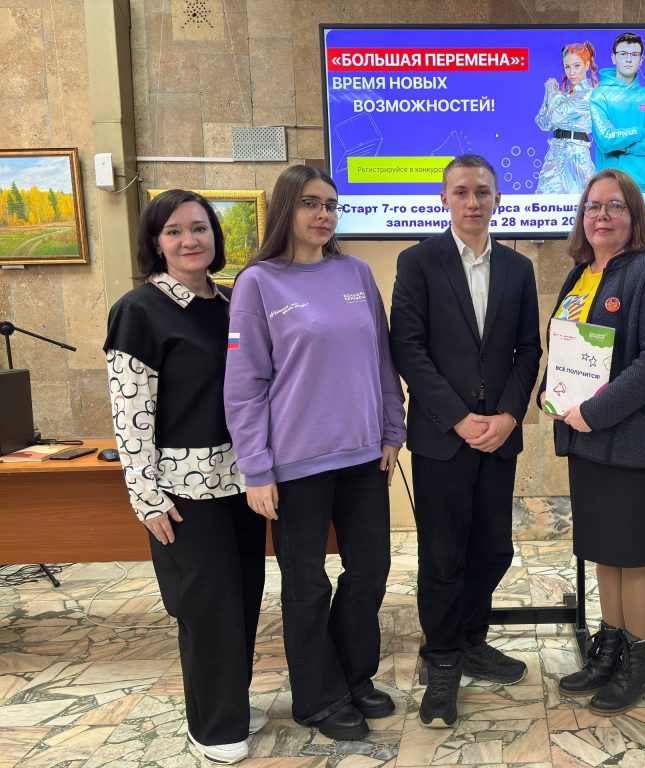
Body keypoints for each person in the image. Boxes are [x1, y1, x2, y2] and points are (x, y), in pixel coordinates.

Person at [224, 165, 406, 742]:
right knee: (307, 584)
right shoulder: (258, 283)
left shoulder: (355, 273)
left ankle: (354, 676)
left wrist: (392, 430)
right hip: (295, 465)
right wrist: (256, 467)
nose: (323, 214)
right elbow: (244, 384)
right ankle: (317, 698)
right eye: (310, 203)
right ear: (286, 209)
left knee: (370, 572)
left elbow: (381, 359)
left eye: (330, 204)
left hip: (362, 456)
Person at [103, 190, 266, 765]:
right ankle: (214, 727)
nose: (189, 240)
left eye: (199, 228)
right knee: (207, 607)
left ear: (215, 236)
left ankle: (232, 702)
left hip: (242, 480)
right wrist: (145, 497)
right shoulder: (138, 310)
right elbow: (130, 411)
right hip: (183, 490)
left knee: (244, 597)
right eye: (173, 231)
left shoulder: (232, 302)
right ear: (155, 242)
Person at [390, 153, 541, 728]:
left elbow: (528, 350)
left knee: (493, 549)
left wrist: (508, 416)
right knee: (443, 555)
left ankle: (472, 640)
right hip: (442, 437)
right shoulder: (418, 261)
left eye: (482, 191)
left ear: (498, 198)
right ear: (444, 199)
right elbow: (408, 348)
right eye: (461, 192)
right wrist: (456, 416)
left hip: (497, 437)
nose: (472, 201)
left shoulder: (518, 268)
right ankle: (443, 659)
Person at [540, 168, 645, 715]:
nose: (601, 216)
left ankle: (636, 665)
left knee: (637, 557)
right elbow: (564, 346)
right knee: (604, 551)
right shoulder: (580, 275)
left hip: (637, 445)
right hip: (588, 445)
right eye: (593, 206)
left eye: (615, 206)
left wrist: (594, 412)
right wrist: (551, 395)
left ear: (635, 215)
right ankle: (609, 651)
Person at [590, 32, 645, 193]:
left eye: (634, 55)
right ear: (614, 58)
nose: (628, 59)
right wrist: (643, 132)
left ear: (641, 60)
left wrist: (626, 147)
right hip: (610, 185)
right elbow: (606, 140)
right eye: (623, 54)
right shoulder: (600, 95)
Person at [535, 42, 599, 194]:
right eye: (567, 67)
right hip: (554, 154)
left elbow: (557, 116)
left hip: (575, 155)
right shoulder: (563, 95)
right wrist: (549, 94)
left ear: (586, 65)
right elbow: (543, 123)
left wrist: (552, 91)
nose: (571, 72)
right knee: (543, 203)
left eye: (577, 66)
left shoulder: (590, 94)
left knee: (581, 203)